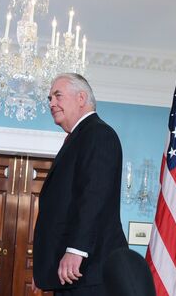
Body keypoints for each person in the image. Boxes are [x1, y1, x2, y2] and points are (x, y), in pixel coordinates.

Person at [32, 73, 127, 295]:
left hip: (88, 271)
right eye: (49, 98)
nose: (51, 103)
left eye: (57, 96)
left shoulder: (98, 134)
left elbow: (94, 196)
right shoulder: (79, 137)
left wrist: (77, 251)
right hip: (72, 275)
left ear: (81, 98)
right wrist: (44, 271)